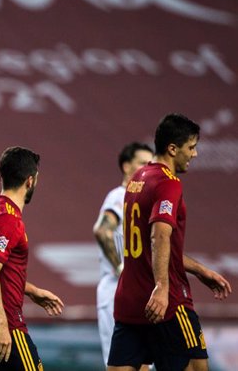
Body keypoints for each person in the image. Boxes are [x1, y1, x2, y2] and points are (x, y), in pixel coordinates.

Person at [108, 114, 232, 371]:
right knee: (198, 367)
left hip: (129, 301)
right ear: (173, 149)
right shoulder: (168, 183)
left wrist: (200, 271)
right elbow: (159, 235)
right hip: (167, 303)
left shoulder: (137, 179)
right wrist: (162, 287)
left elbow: (155, 246)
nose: (195, 154)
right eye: (191, 147)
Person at [0, 147, 64, 371]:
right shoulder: (8, 218)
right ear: (30, 181)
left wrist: (31, 291)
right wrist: (1, 324)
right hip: (6, 331)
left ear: (2, 176)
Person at [93, 142, 153, 367]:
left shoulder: (142, 199)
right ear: (127, 166)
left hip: (135, 292)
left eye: (151, 164)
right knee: (120, 364)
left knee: (143, 363)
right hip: (116, 291)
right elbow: (102, 230)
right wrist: (121, 269)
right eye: (142, 163)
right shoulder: (120, 195)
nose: (147, 169)